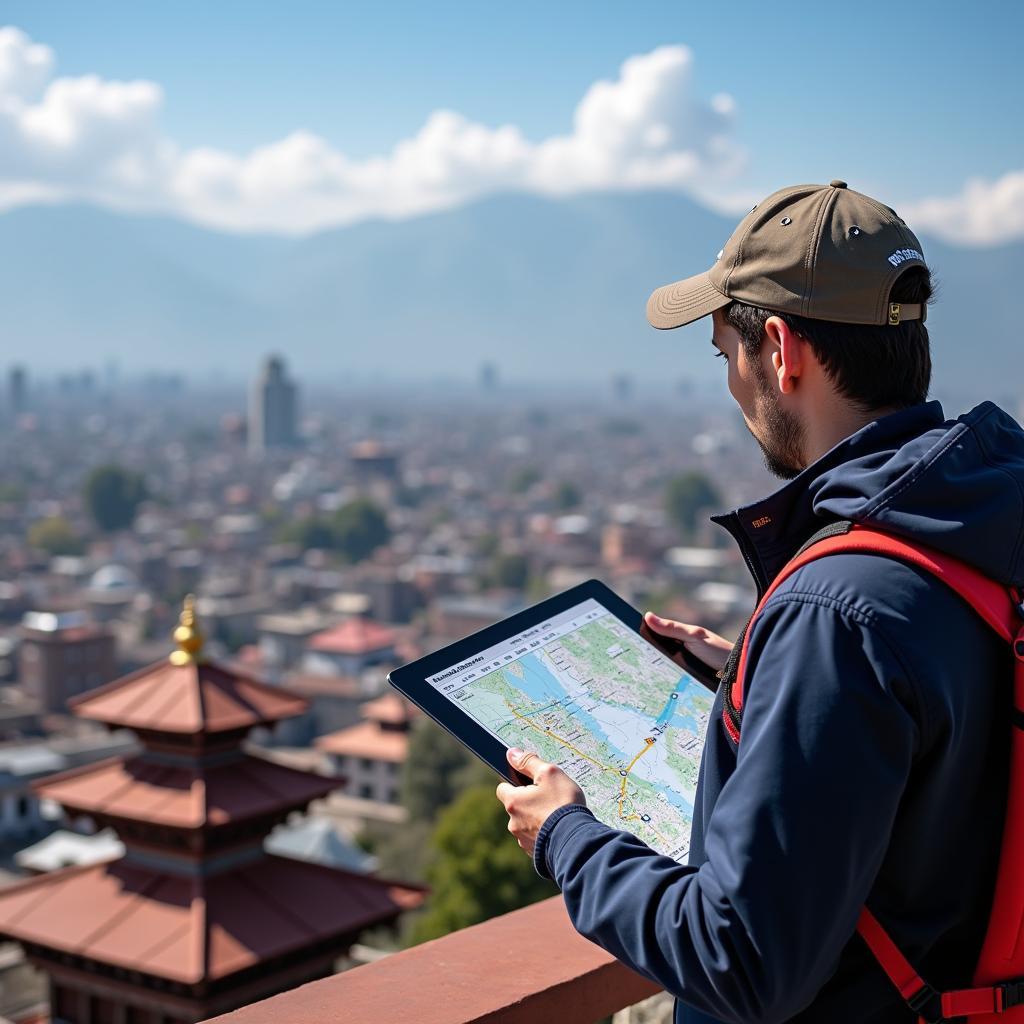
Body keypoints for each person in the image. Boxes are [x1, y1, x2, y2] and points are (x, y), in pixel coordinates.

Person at [495, 180, 1024, 1022]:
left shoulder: (836, 610)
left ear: (780, 349)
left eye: (724, 355)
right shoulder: (981, 522)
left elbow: (741, 958)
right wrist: (756, 685)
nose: (733, 388)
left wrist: (567, 838)